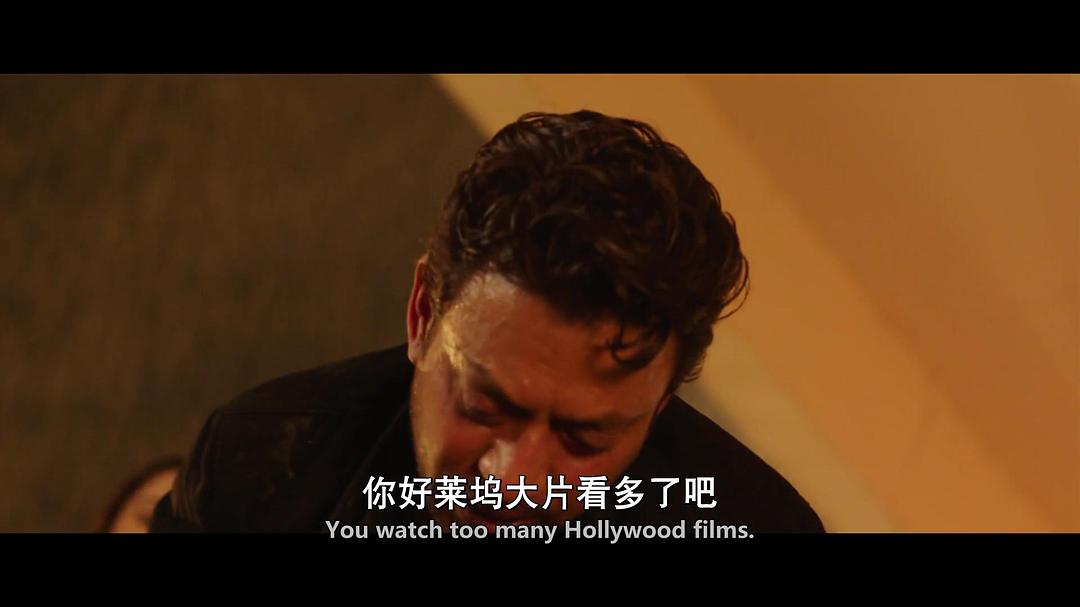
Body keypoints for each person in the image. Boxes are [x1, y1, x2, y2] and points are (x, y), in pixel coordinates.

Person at [151, 110, 825, 534]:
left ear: (662, 403)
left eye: (585, 438)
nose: (516, 479)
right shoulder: (262, 467)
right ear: (423, 313)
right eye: (484, 405)